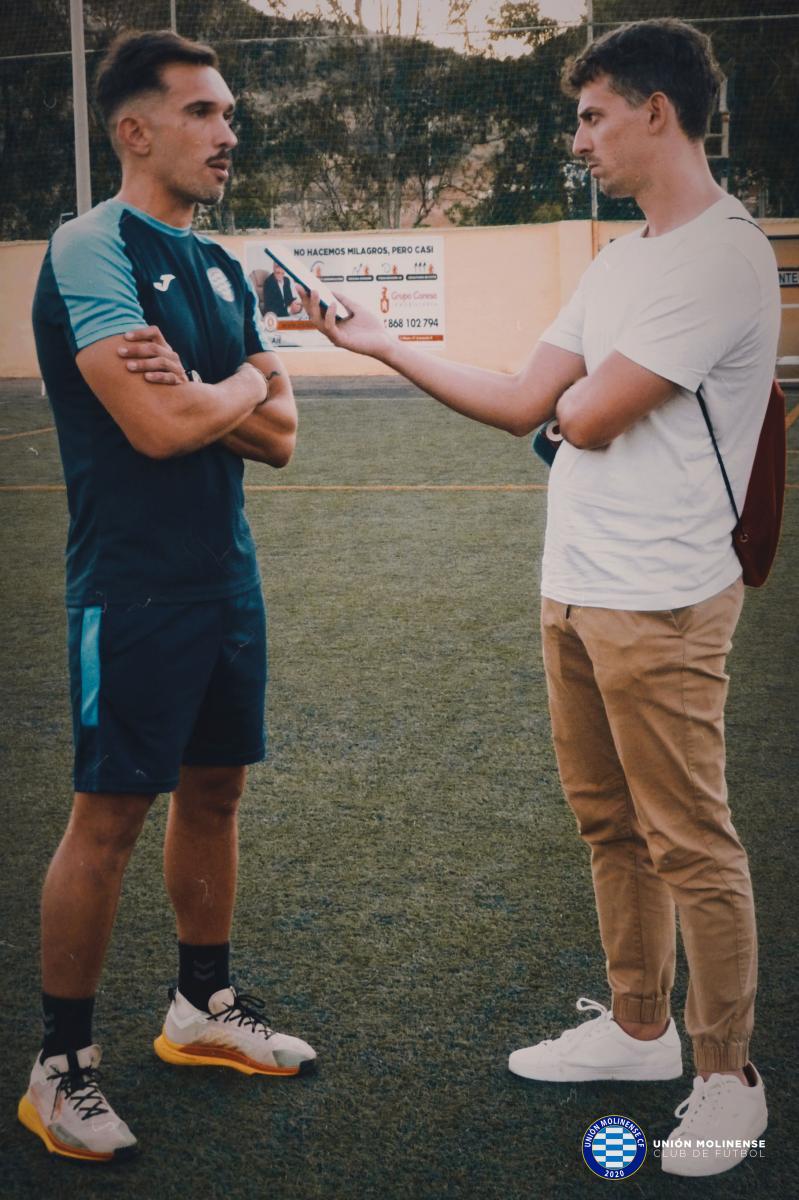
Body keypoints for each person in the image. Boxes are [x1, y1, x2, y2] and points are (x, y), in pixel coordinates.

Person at [301, 18, 779, 1178]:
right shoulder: (615, 265)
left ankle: (728, 1078)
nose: (579, 140)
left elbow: (591, 414)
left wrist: (568, 411)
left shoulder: (722, 255)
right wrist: (385, 345)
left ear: (656, 111)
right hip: (573, 586)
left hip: (663, 600)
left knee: (690, 840)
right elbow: (529, 401)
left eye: (591, 116)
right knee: (609, 823)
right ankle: (637, 1028)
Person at [20, 30, 315, 1164]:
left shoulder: (224, 266)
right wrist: (237, 382)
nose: (228, 132)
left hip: (223, 575)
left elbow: (281, 438)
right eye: (204, 112)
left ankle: (201, 1007)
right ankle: (60, 1070)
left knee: (216, 792)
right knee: (108, 818)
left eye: (228, 112)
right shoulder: (89, 246)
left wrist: (210, 388)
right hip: (130, 587)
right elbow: (153, 426)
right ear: (135, 130)